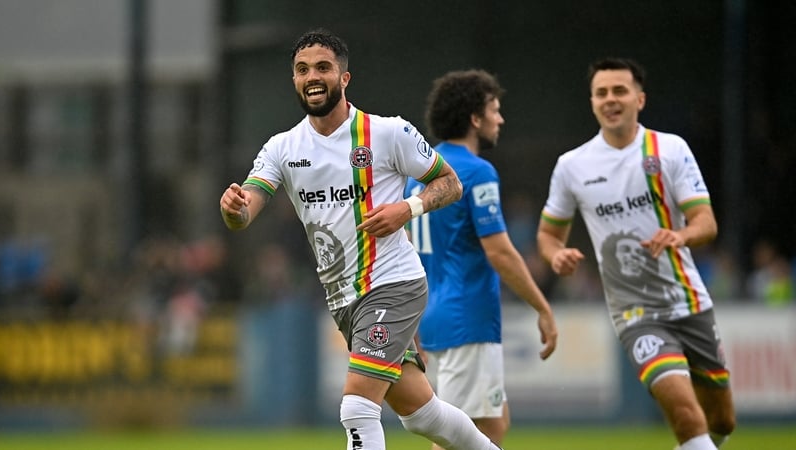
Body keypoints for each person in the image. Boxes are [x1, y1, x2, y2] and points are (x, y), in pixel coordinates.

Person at [220, 29, 503, 450]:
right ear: (294, 80)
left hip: (394, 284)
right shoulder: (282, 148)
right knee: (423, 415)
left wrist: (407, 209)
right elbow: (246, 211)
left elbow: (451, 184)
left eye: (322, 67)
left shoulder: (387, 133)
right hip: (344, 301)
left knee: (356, 407)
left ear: (344, 78)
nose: (312, 76)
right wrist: (235, 209)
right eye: (302, 70)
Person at [536, 58, 736, 450]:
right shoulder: (572, 166)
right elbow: (547, 235)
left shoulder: (670, 149)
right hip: (635, 313)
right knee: (684, 414)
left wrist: (681, 235)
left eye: (619, 91)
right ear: (592, 102)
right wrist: (555, 255)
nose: (610, 99)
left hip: (689, 301)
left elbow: (706, 222)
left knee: (721, 420)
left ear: (639, 99)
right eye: (601, 92)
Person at [404, 69, 558, 448]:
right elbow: (500, 252)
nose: (500, 119)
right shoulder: (476, 171)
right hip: (468, 318)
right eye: (495, 109)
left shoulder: (420, 173)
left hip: (434, 315)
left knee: (493, 421)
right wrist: (542, 307)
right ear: (475, 118)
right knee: (461, 436)